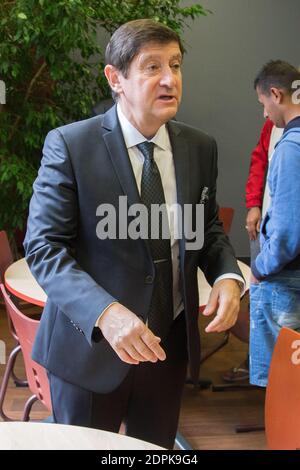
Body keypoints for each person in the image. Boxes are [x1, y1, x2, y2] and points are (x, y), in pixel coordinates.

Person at [24, 19, 243, 448]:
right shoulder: (70, 145)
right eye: (152, 67)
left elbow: (208, 226)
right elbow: (44, 248)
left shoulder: (200, 147)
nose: (169, 79)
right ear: (115, 78)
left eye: (176, 65)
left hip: (167, 350)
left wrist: (227, 276)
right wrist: (106, 313)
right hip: (91, 353)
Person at [250, 60, 300, 387]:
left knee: (284, 384)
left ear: (275, 94)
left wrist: (259, 267)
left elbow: (287, 231)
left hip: (288, 280)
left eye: (263, 104)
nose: (266, 114)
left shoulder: (291, 148)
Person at [223, 119, 283, 383]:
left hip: (287, 230)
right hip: (267, 224)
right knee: (261, 300)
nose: (263, 112)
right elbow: (259, 159)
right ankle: (257, 362)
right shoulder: (274, 122)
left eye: (265, 101)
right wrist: (253, 204)